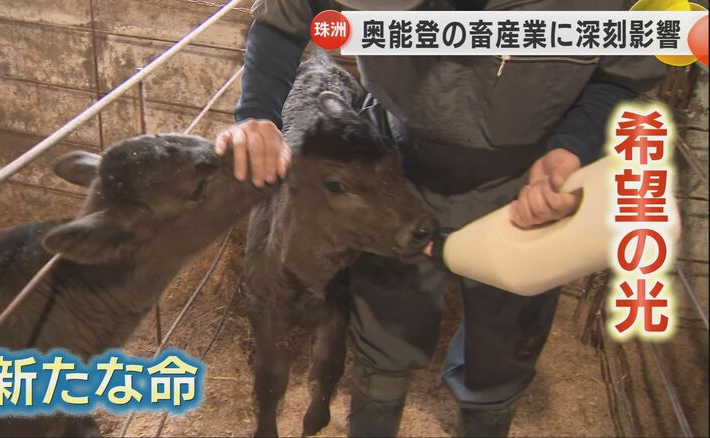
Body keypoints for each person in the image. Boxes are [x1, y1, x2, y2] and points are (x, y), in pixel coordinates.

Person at [215, 1, 666, 436]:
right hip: (395, 166)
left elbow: (622, 72)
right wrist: (258, 109)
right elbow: (283, 16)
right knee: (385, 318)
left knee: (505, 338)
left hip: (528, 176)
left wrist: (574, 144)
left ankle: (486, 417)